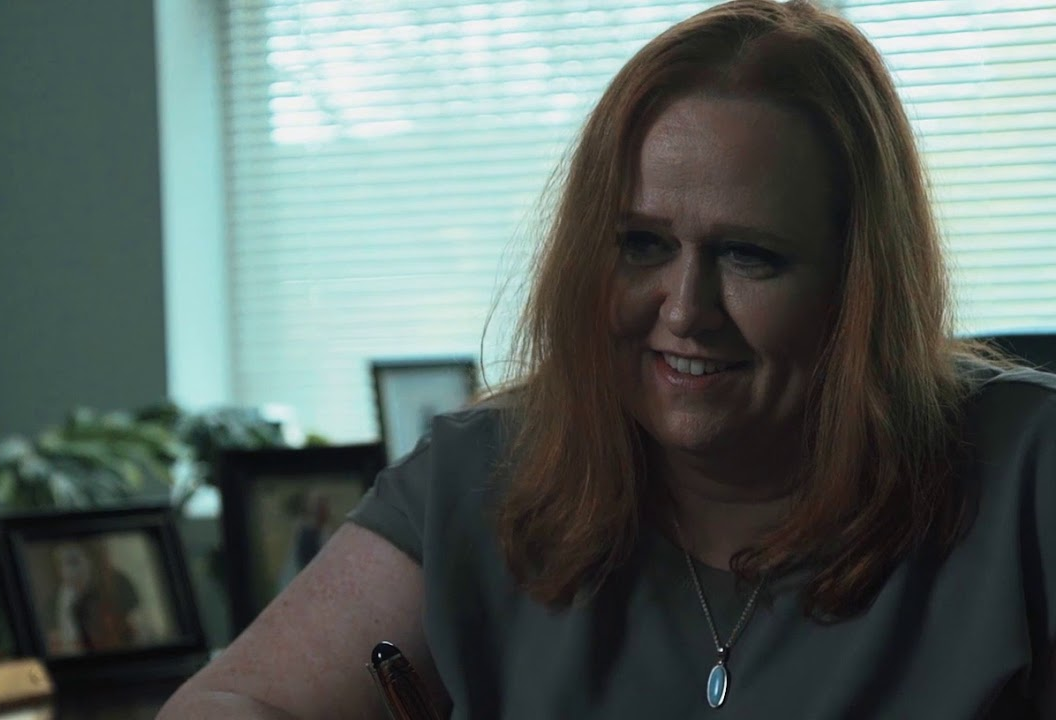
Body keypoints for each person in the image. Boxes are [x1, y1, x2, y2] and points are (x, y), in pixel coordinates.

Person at [157, 1, 1056, 717]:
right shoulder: (479, 473)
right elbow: (228, 703)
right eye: (642, 244)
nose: (686, 310)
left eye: (749, 256)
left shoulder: (1029, 466)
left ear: (860, 284)